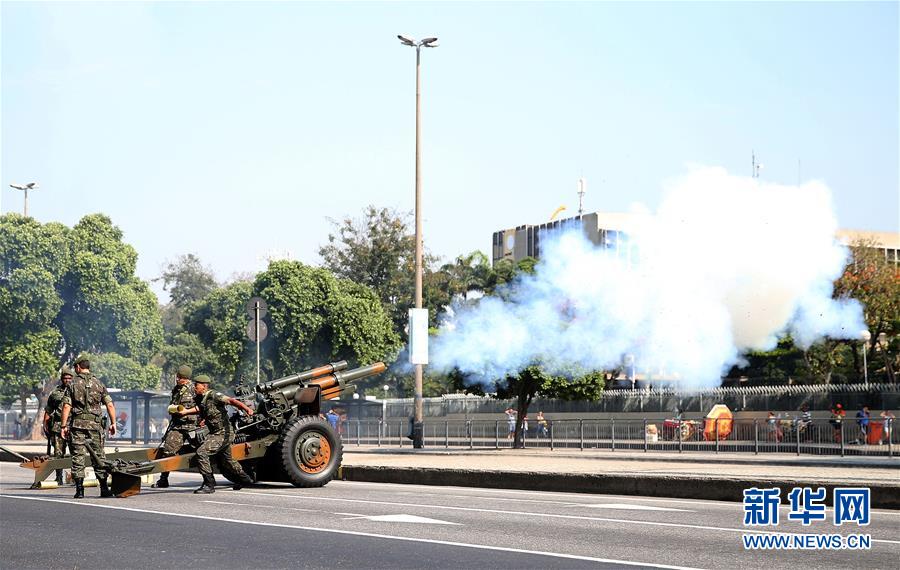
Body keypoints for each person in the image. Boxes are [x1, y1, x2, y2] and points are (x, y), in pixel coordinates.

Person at [173, 375, 254, 494]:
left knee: (201, 452)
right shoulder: (202, 398)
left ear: (204, 386)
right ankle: (245, 480)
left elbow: (232, 401)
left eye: (197, 385)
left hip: (223, 433)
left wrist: (247, 409)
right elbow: (200, 409)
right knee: (228, 460)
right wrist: (187, 413)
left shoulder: (215, 395)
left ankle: (209, 484)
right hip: (216, 433)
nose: (195, 387)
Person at [60, 356, 116, 499]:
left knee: (78, 457)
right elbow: (109, 404)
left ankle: (79, 491)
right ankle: (104, 489)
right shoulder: (99, 383)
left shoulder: (72, 384)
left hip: (77, 426)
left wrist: (63, 426)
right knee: (98, 457)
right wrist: (113, 423)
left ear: (78, 367)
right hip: (95, 427)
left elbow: (66, 406)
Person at [151, 365, 198, 489]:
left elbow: (201, 407)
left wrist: (188, 412)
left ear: (186, 378)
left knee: (203, 453)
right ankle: (163, 480)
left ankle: (208, 481)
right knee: (168, 451)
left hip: (193, 426)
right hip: (178, 426)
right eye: (177, 376)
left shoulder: (194, 389)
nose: (177, 379)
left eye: (180, 377)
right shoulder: (176, 390)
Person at [42, 368, 74, 485]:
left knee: (75, 453)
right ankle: (59, 477)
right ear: (62, 379)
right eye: (65, 378)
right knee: (58, 453)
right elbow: (49, 410)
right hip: (57, 426)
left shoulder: (76, 391)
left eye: (70, 378)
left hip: (73, 426)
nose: (67, 380)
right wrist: (45, 424)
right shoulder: (55, 393)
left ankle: (75, 476)